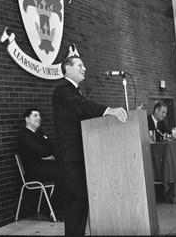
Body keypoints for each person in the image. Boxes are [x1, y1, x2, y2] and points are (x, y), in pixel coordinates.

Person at [52, 55, 127, 237]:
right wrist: (108, 110)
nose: (84, 68)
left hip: (78, 152)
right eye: (80, 65)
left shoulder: (74, 90)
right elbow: (80, 106)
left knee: (80, 198)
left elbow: (82, 113)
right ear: (68, 69)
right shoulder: (62, 89)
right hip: (69, 154)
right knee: (76, 198)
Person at [18, 108, 63, 221]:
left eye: (39, 116)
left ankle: (51, 206)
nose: (39, 118)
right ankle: (50, 208)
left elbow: (52, 148)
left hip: (45, 166)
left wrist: (49, 155)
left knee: (69, 171)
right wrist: (46, 154)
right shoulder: (24, 135)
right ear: (27, 119)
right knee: (64, 173)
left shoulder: (40, 133)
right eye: (35, 116)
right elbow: (40, 150)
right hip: (34, 171)